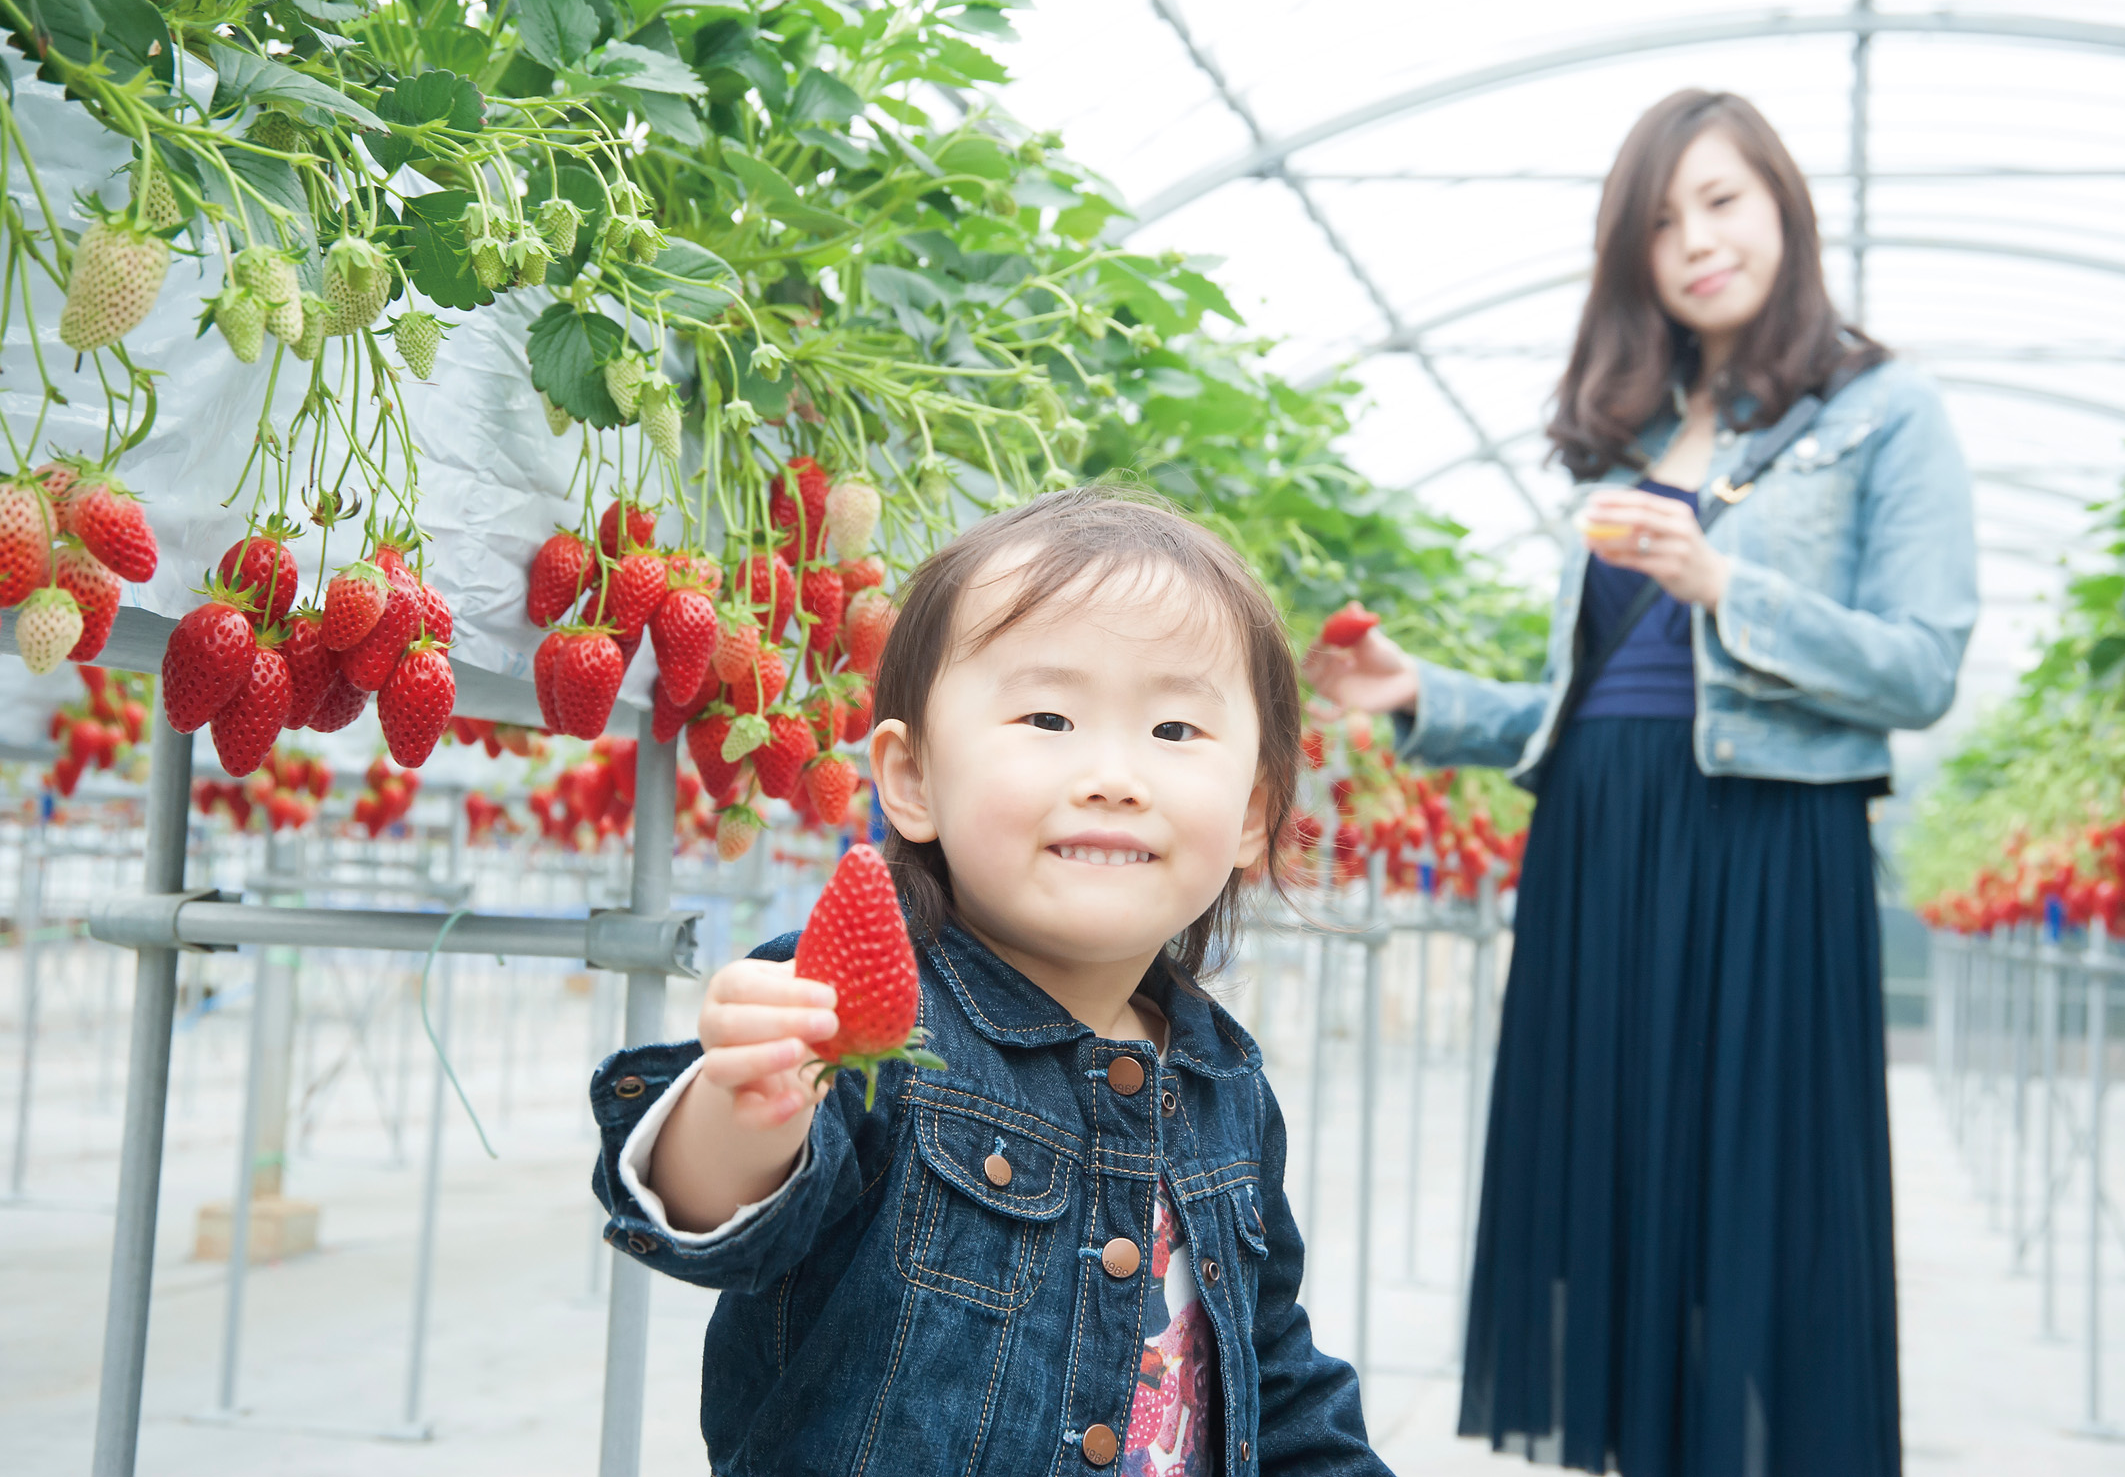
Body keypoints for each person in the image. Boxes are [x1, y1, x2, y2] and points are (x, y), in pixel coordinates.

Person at [1304, 90, 1977, 1476]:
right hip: (1597, 846)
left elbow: (1918, 668)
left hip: (1757, 846)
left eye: (1722, 201)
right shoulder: (1629, 439)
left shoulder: (1884, 410)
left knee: (1753, 1203)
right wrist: (1421, 697)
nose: (1696, 241)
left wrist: (1725, 587)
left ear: (1784, 206)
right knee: (1617, 1199)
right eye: (1662, 220)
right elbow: (1591, 705)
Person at [590, 487, 1393, 1477]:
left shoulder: (1224, 1081)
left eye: (1175, 731)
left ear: (1254, 817)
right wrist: (744, 1103)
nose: (1113, 775)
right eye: (1048, 716)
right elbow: (718, 1228)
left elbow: (1273, 1376)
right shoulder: (862, 1009)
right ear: (913, 779)